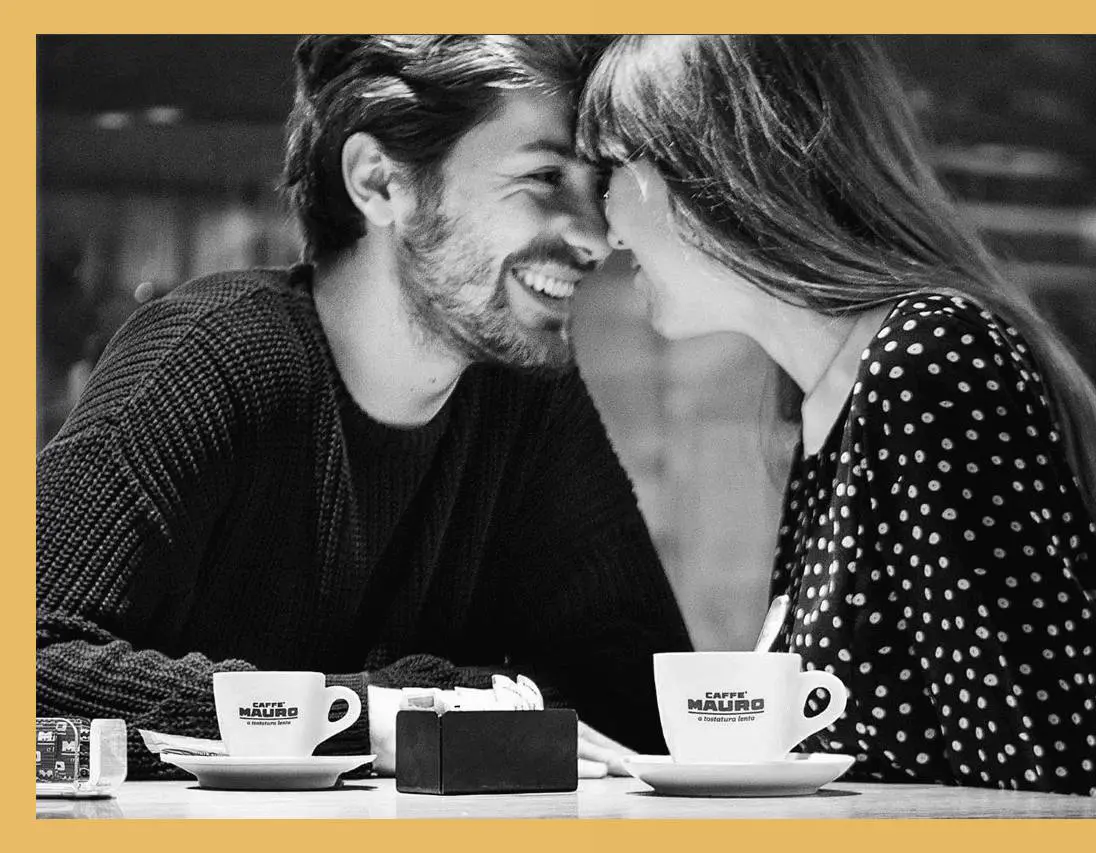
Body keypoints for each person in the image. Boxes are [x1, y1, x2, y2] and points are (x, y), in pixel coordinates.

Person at [36, 34, 693, 780]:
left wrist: (438, 704)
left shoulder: (528, 400)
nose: (598, 235)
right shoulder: (205, 358)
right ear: (380, 182)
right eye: (545, 175)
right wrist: (365, 712)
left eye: (596, 182)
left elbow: (641, 703)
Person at [577, 35, 1096, 795]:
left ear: (709, 166)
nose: (600, 224)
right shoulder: (825, 395)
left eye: (610, 170)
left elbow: (1052, 775)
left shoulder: (928, 358)